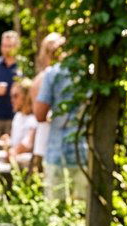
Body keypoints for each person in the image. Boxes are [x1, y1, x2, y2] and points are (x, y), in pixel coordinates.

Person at [33, 56, 87, 205]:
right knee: (83, 209)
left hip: (58, 148)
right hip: (85, 150)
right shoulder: (92, 72)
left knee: (55, 208)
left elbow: (39, 114)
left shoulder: (54, 73)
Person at [28, 32, 65, 167]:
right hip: (47, 142)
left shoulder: (41, 77)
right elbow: (39, 114)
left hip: (46, 143)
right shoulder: (45, 77)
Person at [0, 30, 21, 138]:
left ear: (16, 46)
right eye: (4, 45)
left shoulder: (22, 65)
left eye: (10, 46)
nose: (6, 49)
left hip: (16, 118)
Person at [9, 77, 37, 168]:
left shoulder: (34, 118)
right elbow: (15, 143)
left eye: (16, 96)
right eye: (11, 96)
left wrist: (12, 152)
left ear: (26, 96)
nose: (12, 100)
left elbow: (27, 143)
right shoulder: (18, 116)